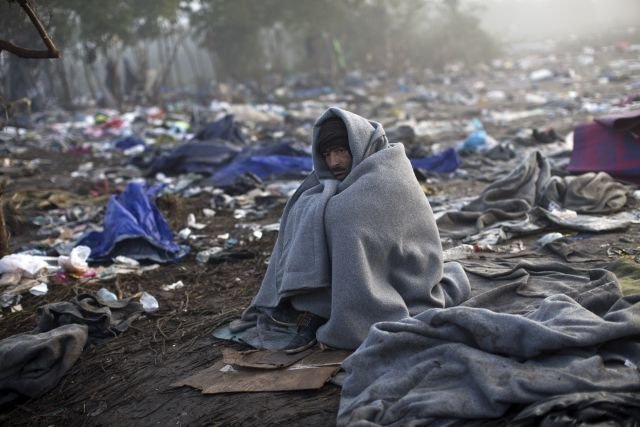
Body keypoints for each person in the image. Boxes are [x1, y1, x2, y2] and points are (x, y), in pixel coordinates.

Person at [230, 107, 470, 353]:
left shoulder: (388, 170)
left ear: (357, 145)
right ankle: (314, 304)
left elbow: (359, 222)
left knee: (340, 216)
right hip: (373, 270)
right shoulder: (343, 177)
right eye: (327, 154)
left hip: (405, 278)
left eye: (341, 151)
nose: (333, 162)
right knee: (303, 206)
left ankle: (333, 313)